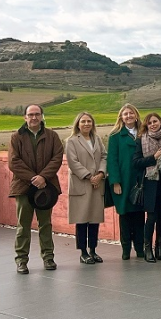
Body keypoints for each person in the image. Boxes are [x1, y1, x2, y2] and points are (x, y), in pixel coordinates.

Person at [9, 104, 64, 274]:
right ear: (25, 117)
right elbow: (14, 162)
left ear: (42, 116)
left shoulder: (52, 136)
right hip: (24, 188)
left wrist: (43, 177)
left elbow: (57, 158)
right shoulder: (16, 137)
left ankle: (48, 258)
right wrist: (34, 178)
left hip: (46, 188)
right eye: (30, 114)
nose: (34, 118)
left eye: (37, 114)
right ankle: (21, 260)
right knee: (23, 225)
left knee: (45, 224)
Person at [65, 111, 107, 264]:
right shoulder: (71, 141)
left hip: (97, 185)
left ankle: (93, 250)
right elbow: (73, 162)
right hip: (82, 184)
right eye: (83, 121)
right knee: (82, 220)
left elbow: (104, 156)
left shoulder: (97, 139)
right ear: (78, 124)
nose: (86, 124)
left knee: (94, 220)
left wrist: (101, 173)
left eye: (89, 121)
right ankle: (83, 252)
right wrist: (90, 176)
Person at [107, 103, 146, 260]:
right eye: (125, 114)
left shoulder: (144, 133)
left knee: (139, 215)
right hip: (123, 181)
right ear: (121, 117)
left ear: (136, 115)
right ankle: (125, 249)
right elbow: (112, 160)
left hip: (141, 180)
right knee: (124, 215)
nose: (128, 116)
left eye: (131, 113)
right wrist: (115, 182)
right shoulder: (115, 136)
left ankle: (140, 247)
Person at [133, 112, 161, 263]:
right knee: (152, 217)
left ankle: (159, 247)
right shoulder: (141, 140)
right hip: (150, 182)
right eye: (149, 123)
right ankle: (147, 248)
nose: (153, 124)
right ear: (146, 125)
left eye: (155, 121)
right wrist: (153, 158)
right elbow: (136, 162)